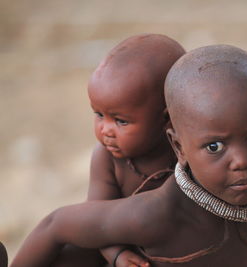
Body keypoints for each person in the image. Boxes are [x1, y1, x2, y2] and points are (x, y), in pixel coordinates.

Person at [11, 44, 247, 267]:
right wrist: (118, 254)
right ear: (178, 147)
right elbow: (57, 224)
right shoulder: (156, 216)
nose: (242, 161)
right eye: (214, 147)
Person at [52, 33, 185, 267]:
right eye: (99, 115)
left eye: (121, 121)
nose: (106, 130)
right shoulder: (106, 158)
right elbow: (95, 221)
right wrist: (117, 255)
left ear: (167, 119)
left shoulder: (187, 152)